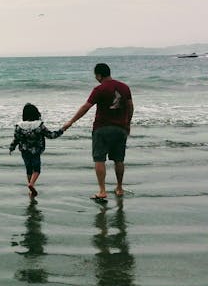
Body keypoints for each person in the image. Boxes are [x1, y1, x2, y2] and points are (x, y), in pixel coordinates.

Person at [63, 63, 134, 201]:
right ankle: (119, 188)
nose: (96, 78)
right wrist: (128, 123)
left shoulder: (99, 89)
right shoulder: (125, 87)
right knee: (119, 159)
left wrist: (70, 122)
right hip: (120, 129)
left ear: (99, 75)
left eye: (96, 75)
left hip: (102, 128)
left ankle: (102, 191)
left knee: (99, 159)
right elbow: (130, 107)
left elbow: (86, 107)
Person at [9, 103, 64, 197]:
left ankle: (30, 188)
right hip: (36, 150)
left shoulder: (19, 126)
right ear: (35, 113)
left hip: (24, 151)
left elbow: (16, 139)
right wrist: (62, 130)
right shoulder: (39, 125)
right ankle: (31, 184)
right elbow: (51, 135)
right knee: (37, 169)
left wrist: (12, 147)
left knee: (28, 169)